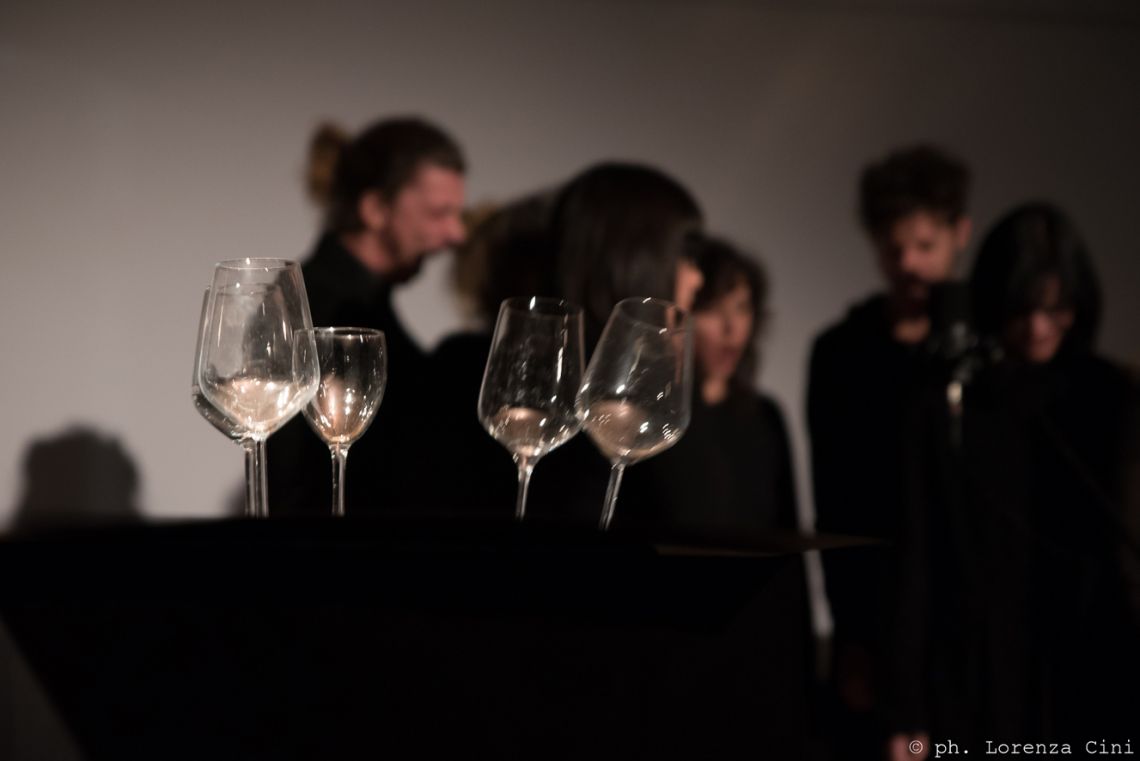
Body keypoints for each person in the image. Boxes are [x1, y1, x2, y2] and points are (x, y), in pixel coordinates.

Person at [885, 203, 1140, 758]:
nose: (1040, 328)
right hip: (979, 678)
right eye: (1024, 310)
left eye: (1057, 310)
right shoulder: (947, 403)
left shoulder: (1108, 395)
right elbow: (918, 555)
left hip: (1089, 667)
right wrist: (908, 710)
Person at [806, 145, 973, 756]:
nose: (908, 265)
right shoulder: (842, 353)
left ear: (961, 234)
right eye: (893, 248)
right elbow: (834, 502)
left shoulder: (984, 355)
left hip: (976, 632)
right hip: (878, 622)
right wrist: (852, 636)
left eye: (925, 247)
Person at [267, 117, 467, 515]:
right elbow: (291, 481)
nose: (457, 234)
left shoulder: (366, 303)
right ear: (375, 208)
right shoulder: (312, 307)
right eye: (439, 213)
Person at [622, 234, 798, 537]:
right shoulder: (656, 414)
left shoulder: (766, 415)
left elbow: (787, 533)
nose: (732, 328)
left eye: (742, 308)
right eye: (714, 309)